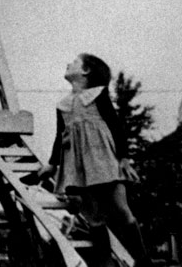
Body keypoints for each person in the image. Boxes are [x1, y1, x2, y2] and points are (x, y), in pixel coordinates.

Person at [38, 53, 149, 267]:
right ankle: (105, 262)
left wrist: (124, 158)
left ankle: (143, 259)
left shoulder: (98, 96)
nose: (68, 63)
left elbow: (116, 126)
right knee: (92, 214)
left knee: (120, 208)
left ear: (86, 71)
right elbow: (60, 137)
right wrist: (52, 164)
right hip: (76, 165)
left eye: (75, 62)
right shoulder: (63, 105)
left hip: (101, 158)